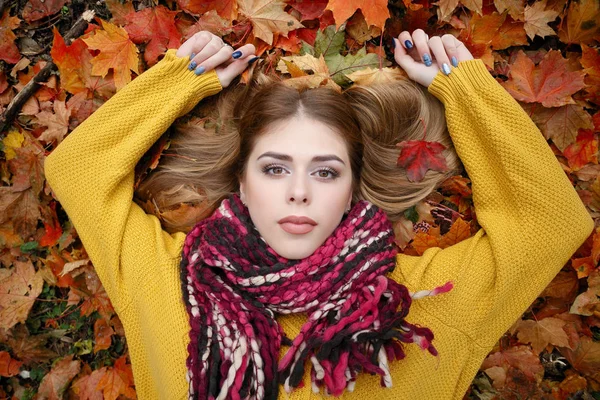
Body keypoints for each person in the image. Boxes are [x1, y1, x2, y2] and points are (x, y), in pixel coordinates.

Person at [44, 27, 594, 400]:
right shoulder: (169, 278)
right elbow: (77, 172)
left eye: (326, 172)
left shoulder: (427, 298)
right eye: (275, 169)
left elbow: (552, 223)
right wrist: (182, 80)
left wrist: (463, 90)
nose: (299, 192)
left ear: (355, 191)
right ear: (241, 181)